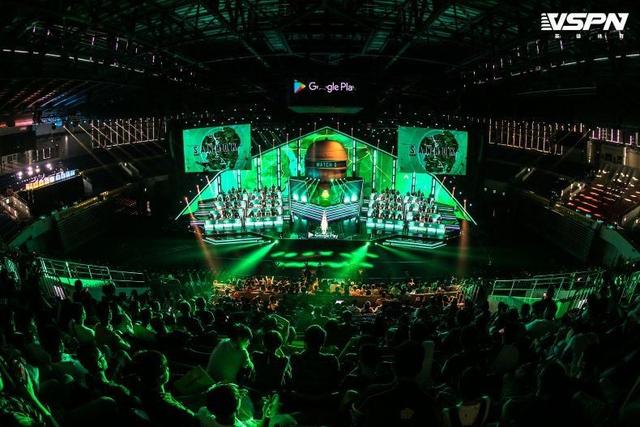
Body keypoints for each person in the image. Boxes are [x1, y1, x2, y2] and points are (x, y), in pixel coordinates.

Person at [354, 341, 442, 427]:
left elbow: (356, 421)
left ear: (393, 367)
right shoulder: (429, 404)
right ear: (420, 368)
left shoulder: (373, 397)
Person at [290, 325, 339, 395]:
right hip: (324, 399)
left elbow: (294, 383)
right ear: (323, 342)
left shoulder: (296, 358)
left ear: (305, 340)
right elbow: (335, 385)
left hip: (300, 399)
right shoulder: (332, 360)